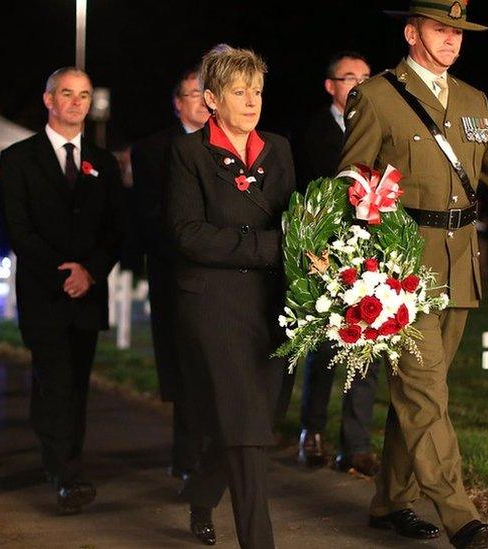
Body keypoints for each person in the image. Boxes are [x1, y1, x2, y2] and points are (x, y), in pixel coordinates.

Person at [339, 3, 488, 548]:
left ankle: (390, 500)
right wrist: (366, 266)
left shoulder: (472, 101)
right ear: (411, 32)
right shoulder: (376, 96)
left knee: (423, 392)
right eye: (441, 29)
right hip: (398, 275)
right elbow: (350, 179)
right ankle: (460, 515)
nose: (452, 41)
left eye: (458, 32)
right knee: (422, 394)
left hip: (459, 265)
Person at [167, 44, 295, 548]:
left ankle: (202, 492)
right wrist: (271, 247)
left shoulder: (279, 149)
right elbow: (188, 234)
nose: (251, 101)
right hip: (214, 304)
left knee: (257, 419)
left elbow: (296, 222)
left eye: (257, 91)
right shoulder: (188, 153)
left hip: (273, 303)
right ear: (212, 99)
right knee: (246, 428)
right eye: (239, 92)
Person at [0, 67, 123, 513]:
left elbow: (115, 229)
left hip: (87, 294)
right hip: (44, 293)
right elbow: (19, 229)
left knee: (76, 384)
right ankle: (67, 476)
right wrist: (62, 273)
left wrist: (89, 271)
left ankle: (63, 460)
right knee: (55, 381)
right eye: (67, 94)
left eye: (84, 95)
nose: (76, 103)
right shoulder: (18, 159)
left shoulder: (103, 164)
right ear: (48, 99)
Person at [293, 51, 382, 477]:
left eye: (367, 77)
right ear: (330, 85)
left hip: (371, 253)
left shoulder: (380, 128)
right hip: (326, 254)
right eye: (350, 78)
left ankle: (357, 444)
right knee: (327, 349)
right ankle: (312, 431)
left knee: (367, 346)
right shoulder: (312, 133)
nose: (359, 85)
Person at [130, 68, 210, 483]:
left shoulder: (227, 144)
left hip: (221, 277)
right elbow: (150, 216)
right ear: (178, 102)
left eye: (206, 94)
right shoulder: (153, 149)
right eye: (193, 95)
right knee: (184, 371)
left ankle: (213, 457)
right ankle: (187, 457)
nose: (201, 101)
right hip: (176, 274)